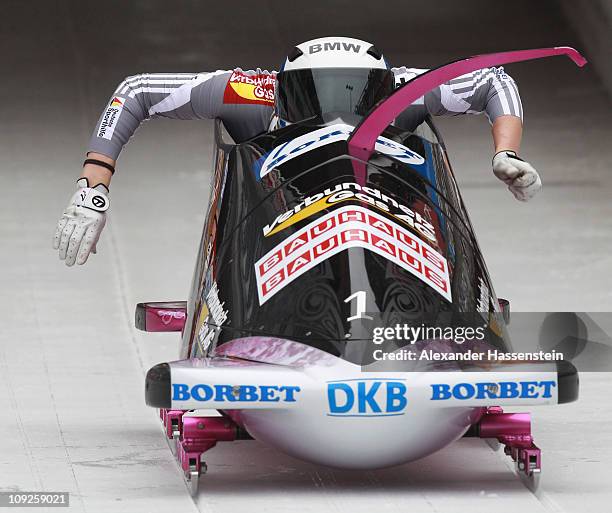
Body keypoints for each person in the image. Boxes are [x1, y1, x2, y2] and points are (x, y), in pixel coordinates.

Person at [53, 36, 541, 266]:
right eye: (315, 96)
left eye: (357, 97)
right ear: (283, 93)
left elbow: (492, 78)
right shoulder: (248, 91)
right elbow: (136, 91)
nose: (337, 114)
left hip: (388, 215)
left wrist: (508, 154)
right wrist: (92, 183)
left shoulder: (407, 88)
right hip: (276, 221)